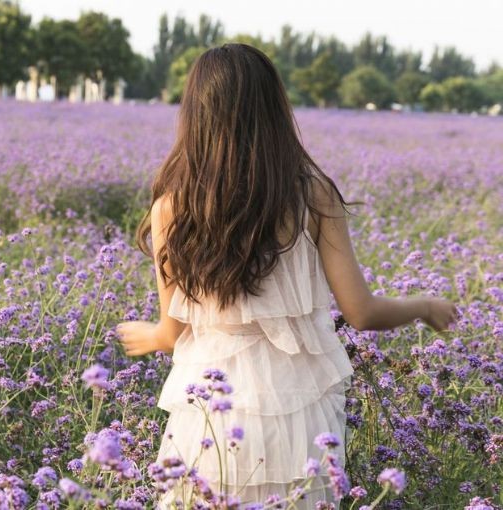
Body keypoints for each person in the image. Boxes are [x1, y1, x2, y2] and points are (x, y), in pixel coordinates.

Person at [115, 43, 457, 508]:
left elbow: (173, 333)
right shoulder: (313, 194)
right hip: (296, 407)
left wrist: (150, 336)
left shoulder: (172, 207)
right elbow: (361, 312)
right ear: (275, 108)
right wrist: (425, 305)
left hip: (208, 411)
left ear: (194, 113)